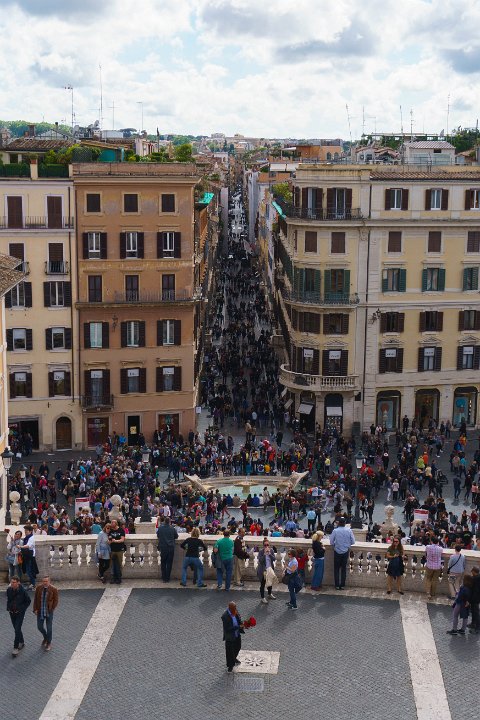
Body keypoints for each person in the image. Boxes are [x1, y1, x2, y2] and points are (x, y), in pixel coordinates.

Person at [6, 576, 31, 657]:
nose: (12, 584)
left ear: (18, 583)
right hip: (12, 613)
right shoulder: (9, 590)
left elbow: (28, 601)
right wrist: (8, 607)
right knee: (17, 629)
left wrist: (22, 609)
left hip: (20, 613)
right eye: (11, 582)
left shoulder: (23, 591)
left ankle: (15, 648)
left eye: (14, 582)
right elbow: (9, 600)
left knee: (17, 629)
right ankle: (22, 642)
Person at [33, 576, 59, 651]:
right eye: (43, 581)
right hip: (40, 611)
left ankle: (49, 643)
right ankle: (45, 637)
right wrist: (35, 609)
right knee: (39, 627)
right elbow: (35, 599)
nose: (45, 582)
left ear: (49, 581)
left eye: (46, 581)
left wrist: (52, 608)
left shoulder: (54, 589)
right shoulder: (39, 588)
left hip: (49, 611)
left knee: (49, 628)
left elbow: (56, 600)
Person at [329, 517, 355, 590]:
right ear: (345, 523)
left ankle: (337, 585)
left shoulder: (335, 531)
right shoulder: (349, 530)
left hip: (337, 551)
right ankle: (342, 585)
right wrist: (347, 544)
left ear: (339, 523)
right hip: (345, 552)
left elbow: (331, 542)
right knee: (344, 569)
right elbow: (353, 541)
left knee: (336, 569)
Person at [221, 601, 244, 672]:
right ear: (230, 608)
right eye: (234, 608)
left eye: (235, 608)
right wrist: (238, 627)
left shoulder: (235, 611)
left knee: (238, 647)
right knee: (230, 651)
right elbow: (227, 629)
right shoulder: (225, 616)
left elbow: (239, 619)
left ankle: (234, 658)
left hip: (237, 634)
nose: (236, 609)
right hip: (230, 637)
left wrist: (243, 624)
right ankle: (230, 666)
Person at [156, 517, 178, 583]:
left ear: (164, 522)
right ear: (170, 522)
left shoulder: (160, 528)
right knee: (169, 563)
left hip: (163, 548)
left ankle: (164, 578)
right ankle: (167, 578)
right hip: (171, 548)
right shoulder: (172, 528)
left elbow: (158, 535)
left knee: (163, 563)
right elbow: (176, 536)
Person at [257, 539, 277, 604]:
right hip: (263, 570)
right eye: (265, 545)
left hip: (270, 570)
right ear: (263, 545)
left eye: (267, 545)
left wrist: (270, 554)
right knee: (262, 584)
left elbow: (274, 559)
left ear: (269, 545)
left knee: (270, 583)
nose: (266, 546)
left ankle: (269, 594)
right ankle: (262, 597)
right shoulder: (261, 552)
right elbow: (260, 561)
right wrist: (264, 554)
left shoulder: (271, 550)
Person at [425, 536, 443, 600]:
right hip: (437, 566)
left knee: (428, 579)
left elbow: (426, 553)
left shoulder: (428, 547)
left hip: (429, 566)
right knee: (434, 580)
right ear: (438, 542)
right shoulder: (440, 549)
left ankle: (428, 593)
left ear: (431, 541)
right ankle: (433, 593)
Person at [108, 519, 126, 585]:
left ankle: (119, 577)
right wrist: (109, 541)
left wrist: (115, 541)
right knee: (112, 565)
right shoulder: (110, 531)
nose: (111, 524)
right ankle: (113, 578)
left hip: (119, 549)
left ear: (116, 524)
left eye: (113, 523)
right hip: (112, 550)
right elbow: (109, 540)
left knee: (119, 564)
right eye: (111, 523)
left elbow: (122, 539)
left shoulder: (121, 530)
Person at [21, 525, 37, 590]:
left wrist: (20, 547)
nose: (25, 532)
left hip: (30, 556)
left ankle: (33, 584)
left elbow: (28, 545)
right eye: (25, 531)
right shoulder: (27, 537)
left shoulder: (31, 538)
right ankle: (31, 583)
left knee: (30, 570)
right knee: (28, 570)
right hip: (27, 555)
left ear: (30, 531)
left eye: (26, 531)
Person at [468, 566, 480, 634]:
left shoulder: (475, 579)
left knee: (476, 613)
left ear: (474, 572)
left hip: (475, 598)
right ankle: (473, 623)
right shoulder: (476, 577)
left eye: (472, 571)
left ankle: (477, 628)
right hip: (476, 598)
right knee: (473, 612)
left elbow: (475, 590)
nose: (471, 572)